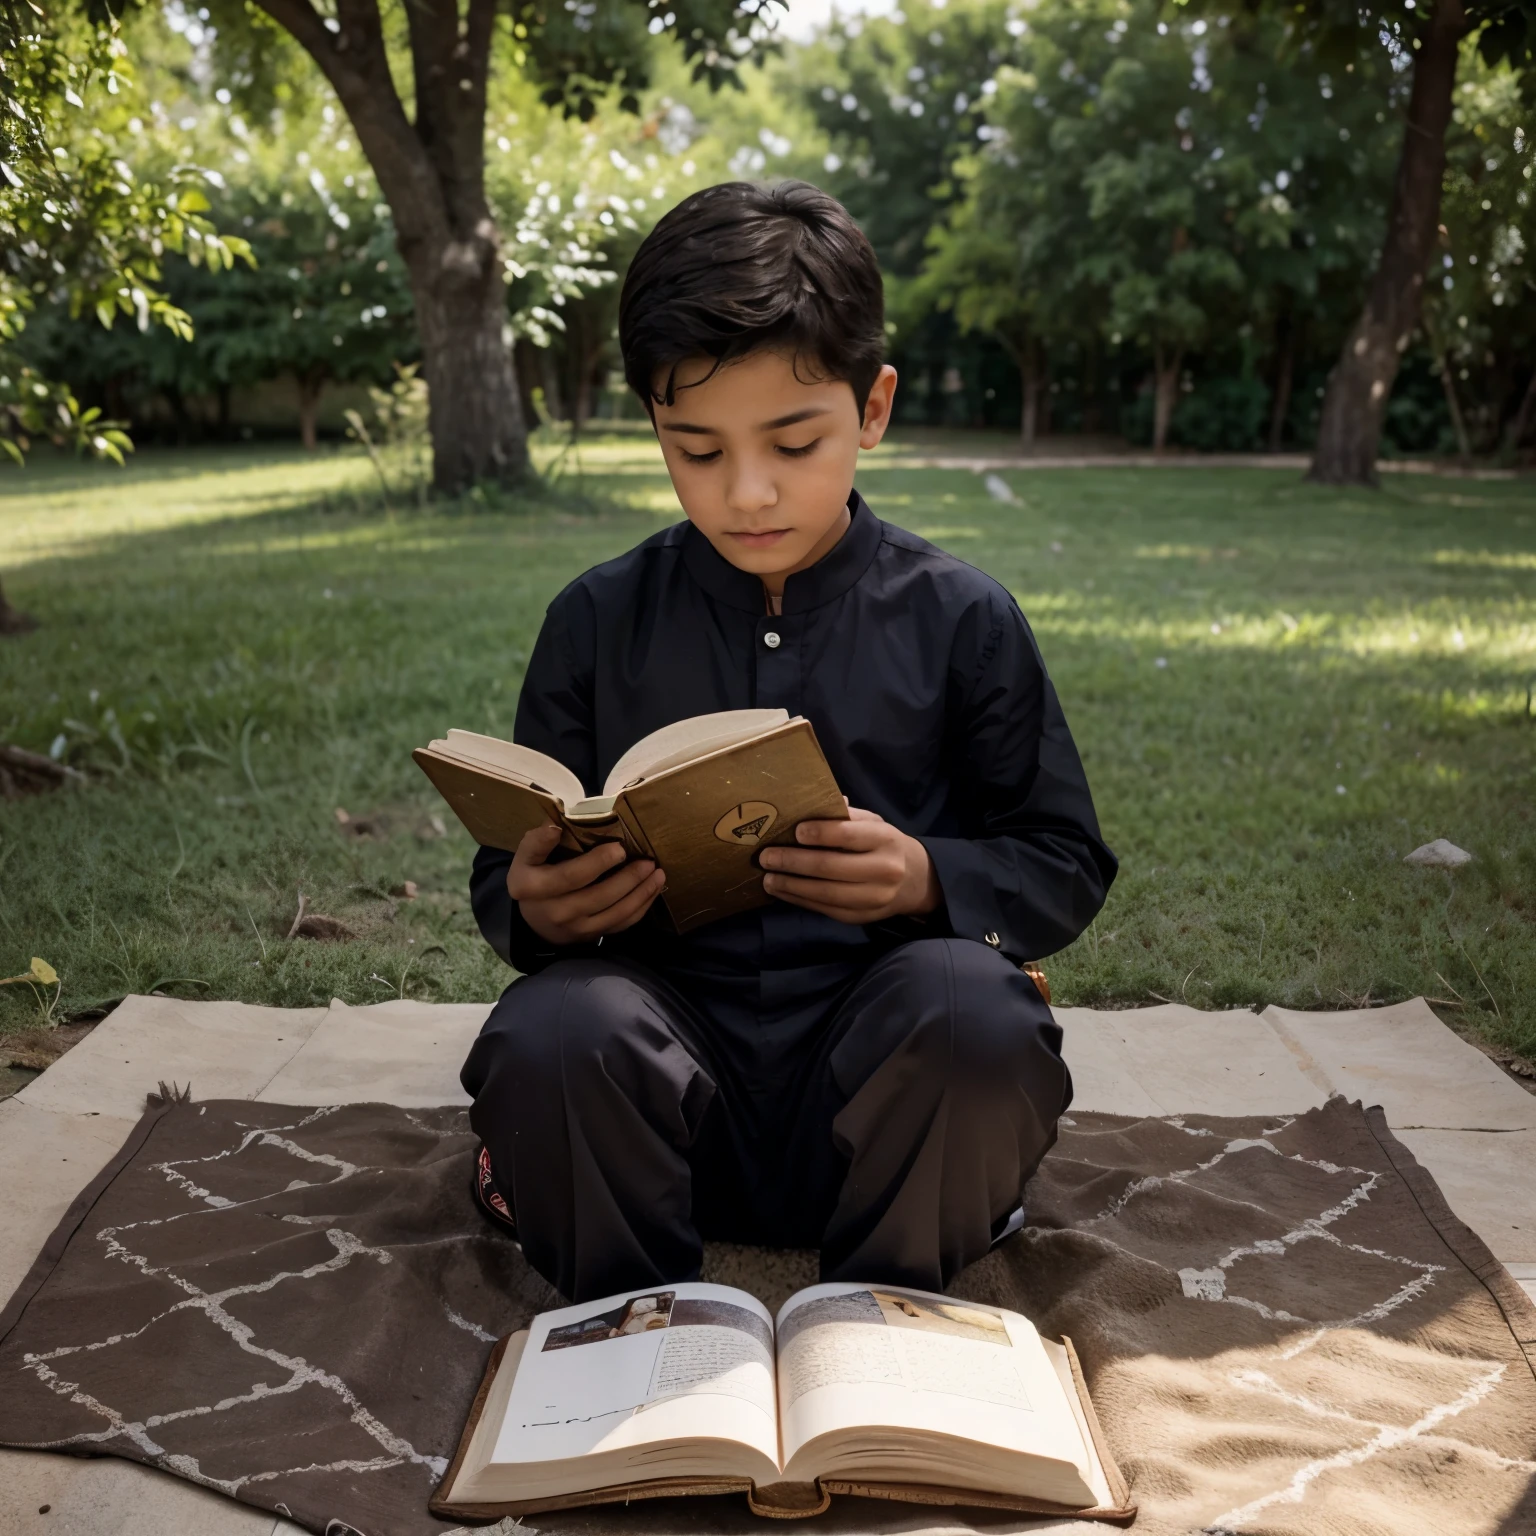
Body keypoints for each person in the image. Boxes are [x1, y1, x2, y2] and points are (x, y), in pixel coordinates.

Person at [462, 180, 1116, 1304]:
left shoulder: (964, 620)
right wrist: (533, 905)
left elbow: (1062, 861)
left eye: (794, 441)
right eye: (696, 449)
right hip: (660, 1105)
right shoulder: (596, 620)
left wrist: (924, 875)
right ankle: (635, 1324)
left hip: (891, 1105)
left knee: (978, 1017)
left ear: (873, 408)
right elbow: (513, 875)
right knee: (554, 1030)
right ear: (652, 422)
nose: (748, 491)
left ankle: (881, 1325)